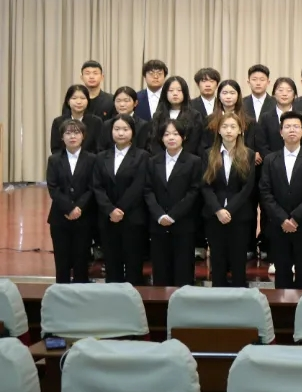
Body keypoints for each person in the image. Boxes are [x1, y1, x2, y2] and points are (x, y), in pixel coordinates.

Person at [259, 111, 302, 289]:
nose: (291, 130)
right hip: (278, 226)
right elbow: (265, 192)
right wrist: (282, 219)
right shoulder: (270, 159)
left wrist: (296, 218)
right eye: (287, 127)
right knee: (281, 273)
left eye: (296, 127)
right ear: (281, 132)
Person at [144, 119, 202, 286]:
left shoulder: (194, 161)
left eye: (175, 134)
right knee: (160, 274)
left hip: (183, 224)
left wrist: (173, 215)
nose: (171, 138)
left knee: (183, 274)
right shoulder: (153, 161)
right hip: (158, 225)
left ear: (183, 137)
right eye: (167, 134)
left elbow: (194, 192)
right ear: (161, 138)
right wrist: (159, 215)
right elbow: (147, 190)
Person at [93, 115, 150, 284]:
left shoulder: (142, 156)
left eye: (125, 129)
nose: (121, 133)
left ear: (133, 132)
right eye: (116, 129)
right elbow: (97, 186)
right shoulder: (101, 157)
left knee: (134, 265)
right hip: (108, 218)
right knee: (112, 265)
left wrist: (120, 210)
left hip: (132, 217)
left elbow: (138, 186)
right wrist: (110, 210)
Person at [201, 114, 257, 287]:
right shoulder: (209, 154)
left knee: (238, 261)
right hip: (214, 216)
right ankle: (218, 297)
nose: (229, 130)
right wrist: (218, 210)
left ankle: (239, 297)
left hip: (239, 215)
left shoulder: (248, 154)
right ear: (218, 130)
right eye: (225, 126)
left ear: (240, 130)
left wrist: (229, 210)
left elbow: (247, 187)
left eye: (233, 126)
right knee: (217, 261)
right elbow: (205, 186)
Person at [46, 119, 96, 283]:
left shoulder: (92, 159)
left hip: (84, 216)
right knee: (62, 261)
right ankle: (61, 292)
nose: (72, 136)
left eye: (76, 132)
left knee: (82, 260)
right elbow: (53, 188)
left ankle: (81, 294)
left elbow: (92, 187)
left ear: (83, 136)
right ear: (62, 137)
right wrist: (69, 208)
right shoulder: (54, 159)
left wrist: (79, 207)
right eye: (68, 133)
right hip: (60, 217)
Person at [150, 76, 204, 157]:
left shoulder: (195, 115)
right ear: (165, 93)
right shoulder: (158, 115)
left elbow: (194, 142)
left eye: (179, 90)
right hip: (161, 160)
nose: (175, 93)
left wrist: (178, 158)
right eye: (171, 90)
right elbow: (154, 141)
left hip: (187, 159)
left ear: (185, 93)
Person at [255, 77, 302, 158]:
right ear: (274, 94)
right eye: (280, 90)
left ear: (294, 95)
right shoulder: (265, 118)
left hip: (298, 161)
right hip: (271, 161)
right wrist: (274, 160)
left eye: (289, 90)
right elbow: (261, 144)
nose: (284, 94)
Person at [50, 84, 103, 155]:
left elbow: (99, 148)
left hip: (90, 161)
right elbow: (55, 149)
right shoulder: (58, 122)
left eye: (83, 98)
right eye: (74, 98)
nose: (79, 102)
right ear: (68, 101)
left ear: (88, 101)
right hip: (64, 161)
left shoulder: (96, 122)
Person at [103, 88, 152, 152]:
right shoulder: (107, 124)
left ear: (135, 103)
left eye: (126, 101)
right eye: (118, 101)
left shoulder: (143, 125)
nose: (122, 104)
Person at [243, 64, 275, 133]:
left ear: (268, 82)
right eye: (254, 79)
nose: (258, 83)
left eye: (262, 80)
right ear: (248, 82)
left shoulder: (276, 103)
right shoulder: (241, 103)